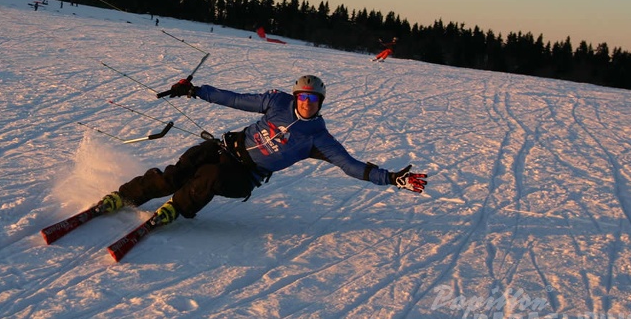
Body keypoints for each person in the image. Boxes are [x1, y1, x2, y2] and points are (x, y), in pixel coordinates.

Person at [99, 75, 427, 225]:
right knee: (182, 170)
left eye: (313, 101)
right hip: (226, 148)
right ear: (295, 96)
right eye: (302, 97)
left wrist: (390, 178)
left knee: (209, 177)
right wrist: (196, 91)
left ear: (320, 104)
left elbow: (351, 165)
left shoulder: (319, 138)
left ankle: (175, 209)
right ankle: (124, 196)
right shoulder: (277, 102)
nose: (306, 104)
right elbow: (236, 99)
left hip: (246, 175)